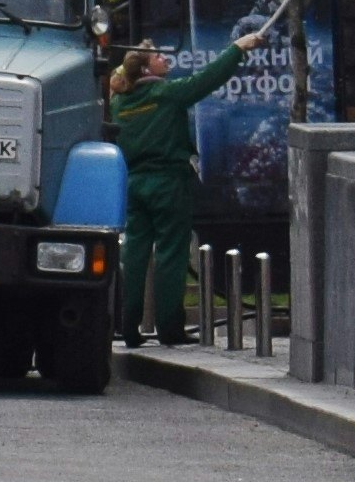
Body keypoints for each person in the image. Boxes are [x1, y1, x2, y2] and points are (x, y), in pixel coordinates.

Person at [104, 26, 250, 346]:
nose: (164, 58)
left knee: (134, 254)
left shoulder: (119, 104)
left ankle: (127, 327)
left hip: (133, 184)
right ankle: (170, 328)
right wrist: (236, 49)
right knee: (171, 255)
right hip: (169, 184)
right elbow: (207, 80)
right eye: (157, 56)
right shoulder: (166, 95)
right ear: (146, 69)